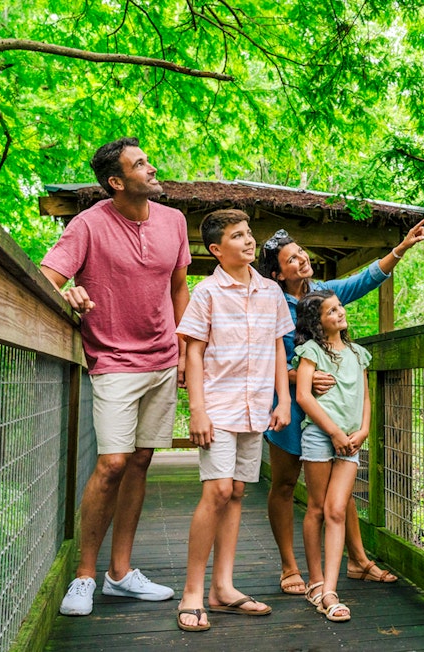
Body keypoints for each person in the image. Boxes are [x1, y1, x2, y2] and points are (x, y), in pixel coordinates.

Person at [40, 137, 190, 616]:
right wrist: (70, 295)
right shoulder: (88, 225)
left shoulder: (175, 221)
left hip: (164, 359)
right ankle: (84, 575)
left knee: (142, 459)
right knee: (112, 464)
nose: (151, 168)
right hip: (112, 361)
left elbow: (179, 286)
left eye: (148, 159)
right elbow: (48, 278)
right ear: (116, 182)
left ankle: (120, 575)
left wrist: (185, 349)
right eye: (140, 164)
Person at [258, 219, 424, 595]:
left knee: (340, 489)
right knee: (285, 484)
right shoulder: (269, 303)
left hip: (332, 409)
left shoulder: (323, 293)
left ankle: (359, 560)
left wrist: (400, 249)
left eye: (301, 252)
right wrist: (295, 378)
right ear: (277, 273)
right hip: (291, 407)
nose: (302, 260)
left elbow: (364, 280)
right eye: (291, 259)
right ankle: (289, 567)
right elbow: (257, 358)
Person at [175, 209, 293, 632]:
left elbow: (279, 349)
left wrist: (283, 401)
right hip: (219, 406)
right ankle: (192, 591)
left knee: (239, 490)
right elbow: (193, 350)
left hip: (257, 406)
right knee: (218, 490)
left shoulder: (271, 293)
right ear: (216, 249)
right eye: (237, 236)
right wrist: (198, 410)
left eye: (249, 234)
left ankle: (222, 588)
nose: (248, 241)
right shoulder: (206, 293)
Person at [294, 290, 373, 622]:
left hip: (351, 443)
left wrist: (363, 430)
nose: (339, 313)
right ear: (318, 322)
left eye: (339, 307)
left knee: (337, 510)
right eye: (330, 311)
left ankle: (330, 590)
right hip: (320, 436)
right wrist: (334, 432)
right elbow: (303, 397)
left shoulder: (358, 353)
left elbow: (365, 398)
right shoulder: (312, 351)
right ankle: (316, 581)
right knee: (317, 507)